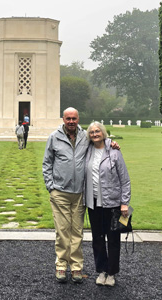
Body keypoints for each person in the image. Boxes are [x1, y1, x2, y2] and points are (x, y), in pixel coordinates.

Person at [42, 108, 119, 284]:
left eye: (74, 118)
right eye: (68, 118)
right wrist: (51, 187)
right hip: (60, 192)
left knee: (77, 232)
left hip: (80, 194)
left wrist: (112, 144)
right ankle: (61, 265)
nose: (71, 121)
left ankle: (76, 267)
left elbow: (100, 142)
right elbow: (47, 163)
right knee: (62, 231)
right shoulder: (55, 137)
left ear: (78, 119)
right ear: (63, 119)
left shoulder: (85, 136)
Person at [84, 121, 131, 287]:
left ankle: (111, 273)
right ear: (89, 135)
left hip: (112, 203)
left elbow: (124, 180)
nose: (95, 134)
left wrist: (124, 203)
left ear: (103, 133)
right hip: (94, 202)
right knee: (97, 238)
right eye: (92, 132)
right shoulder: (87, 151)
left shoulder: (114, 153)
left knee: (113, 238)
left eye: (98, 131)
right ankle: (101, 271)